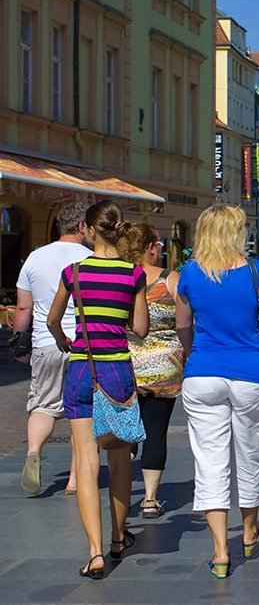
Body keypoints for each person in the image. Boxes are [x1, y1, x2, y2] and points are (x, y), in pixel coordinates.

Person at [175, 204, 259, 579]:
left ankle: (221, 551)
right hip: (250, 373)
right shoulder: (257, 270)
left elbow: (182, 324)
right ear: (236, 233)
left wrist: (195, 354)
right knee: (251, 453)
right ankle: (250, 531)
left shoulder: (189, 273)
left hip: (203, 372)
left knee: (210, 461)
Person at [46, 200, 149, 580]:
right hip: (117, 371)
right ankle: (119, 538)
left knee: (86, 464)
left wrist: (63, 339)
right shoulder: (132, 274)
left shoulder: (72, 273)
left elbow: (53, 319)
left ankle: (94, 552)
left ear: (89, 230)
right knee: (120, 458)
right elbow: (140, 328)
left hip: (80, 369)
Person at [15, 202, 91, 496]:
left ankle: (33, 452)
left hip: (47, 341)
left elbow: (24, 307)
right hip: (83, 343)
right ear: (83, 227)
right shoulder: (90, 257)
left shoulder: (35, 257)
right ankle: (74, 478)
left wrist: (21, 342)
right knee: (81, 411)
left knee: (43, 405)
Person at [120, 223, 184, 519]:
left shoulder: (121, 277)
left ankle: (120, 492)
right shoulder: (170, 279)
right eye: (158, 244)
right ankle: (149, 498)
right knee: (156, 432)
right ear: (149, 247)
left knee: (126, 433)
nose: (161, 249)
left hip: (124, 365)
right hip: (164, 368)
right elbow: (186, 321)